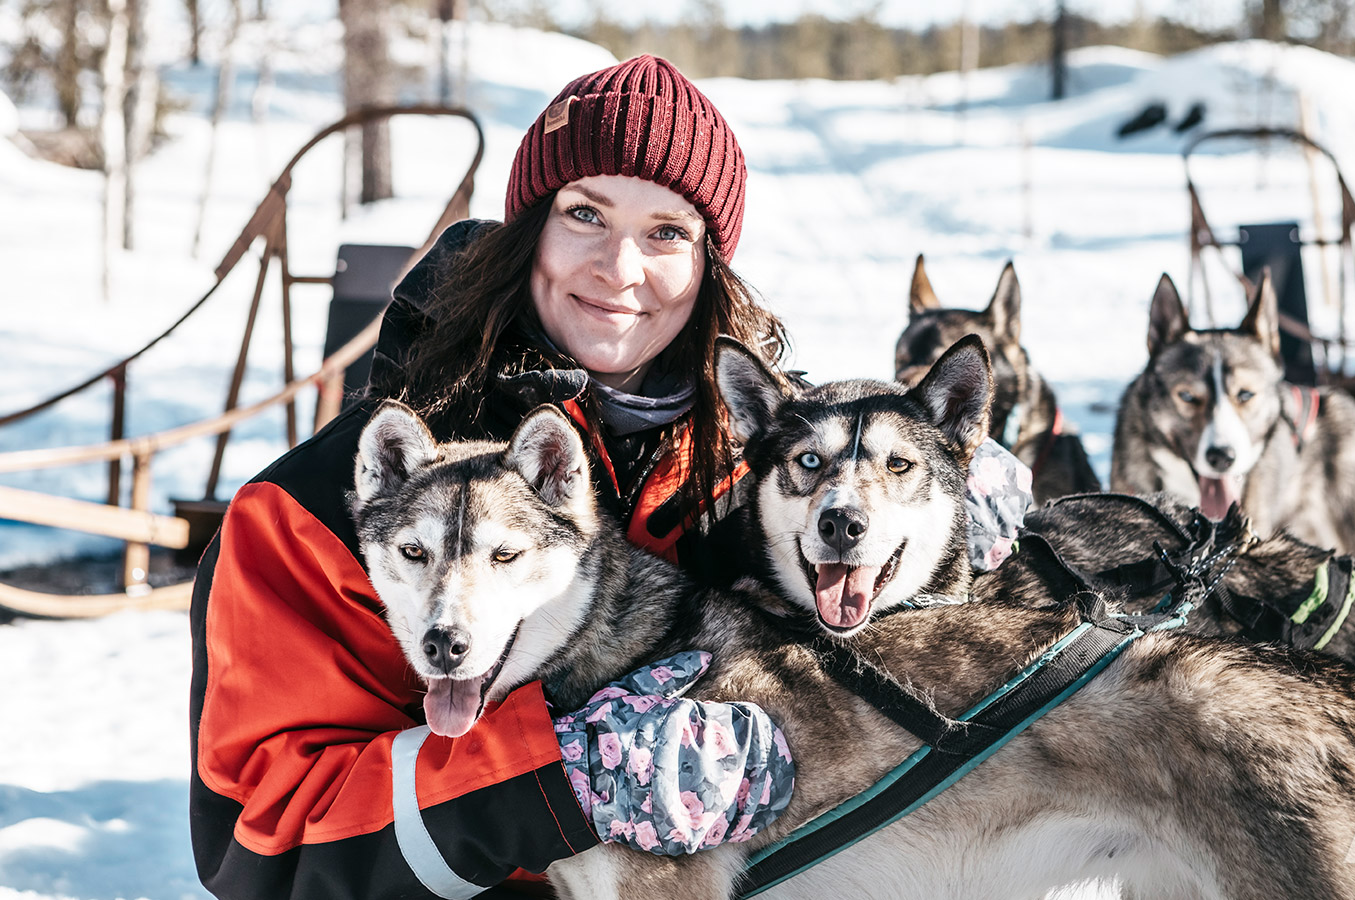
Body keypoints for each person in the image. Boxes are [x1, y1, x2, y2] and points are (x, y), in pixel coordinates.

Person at [190, 54, 1030, 900]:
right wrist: (553, 784)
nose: (620, 269)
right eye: (584, 214)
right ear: (528, 232)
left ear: (708, 267)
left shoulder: (743, 463)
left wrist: (941, 501)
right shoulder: (311, 511)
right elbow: (265, 845)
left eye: (668, 232)